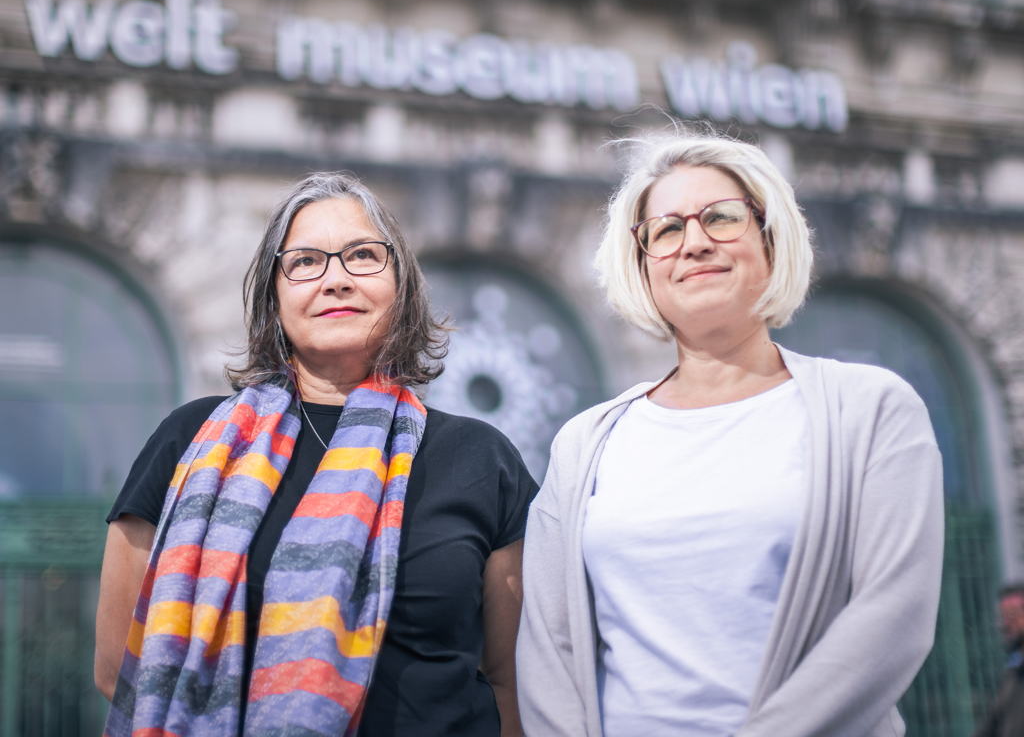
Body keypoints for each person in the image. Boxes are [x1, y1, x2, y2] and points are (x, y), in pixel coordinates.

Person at [515, 131, 945, 737]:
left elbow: (891, 618)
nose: (693, 243)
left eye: (721, 218)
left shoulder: (871, 410)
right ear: (642, 266)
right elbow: (547, 648)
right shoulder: (585, 442)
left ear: (771, 240)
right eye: (665, 230)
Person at [95, 172, 537, 737]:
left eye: (362, 255)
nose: (336, 280)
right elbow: (119, 668)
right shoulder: (191, 441)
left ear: (401, 286)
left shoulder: (481, 458)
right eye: (305, 262)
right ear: (274, 298)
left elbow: (512, 679)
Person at [972, 585, 1024, 737]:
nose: (1006, 623)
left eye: (1013, 615)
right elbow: (991, 724)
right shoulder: (1013, 673)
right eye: (1003, 616)